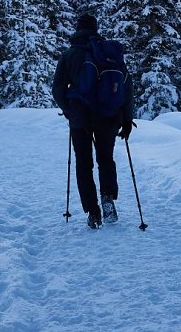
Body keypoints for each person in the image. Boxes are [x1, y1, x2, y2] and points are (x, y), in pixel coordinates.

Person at [51, 14, 135, 229]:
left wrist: (69, 110)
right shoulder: (109, 53)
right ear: (96, 29)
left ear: (77, 29)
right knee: (106, 159)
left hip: (81, 117)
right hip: (109, 117)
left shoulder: (70, 55)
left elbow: (58, 89)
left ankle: (93, 211)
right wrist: (126, 119)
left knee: (83, 163)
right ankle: (108, 198)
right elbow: (126, 86)